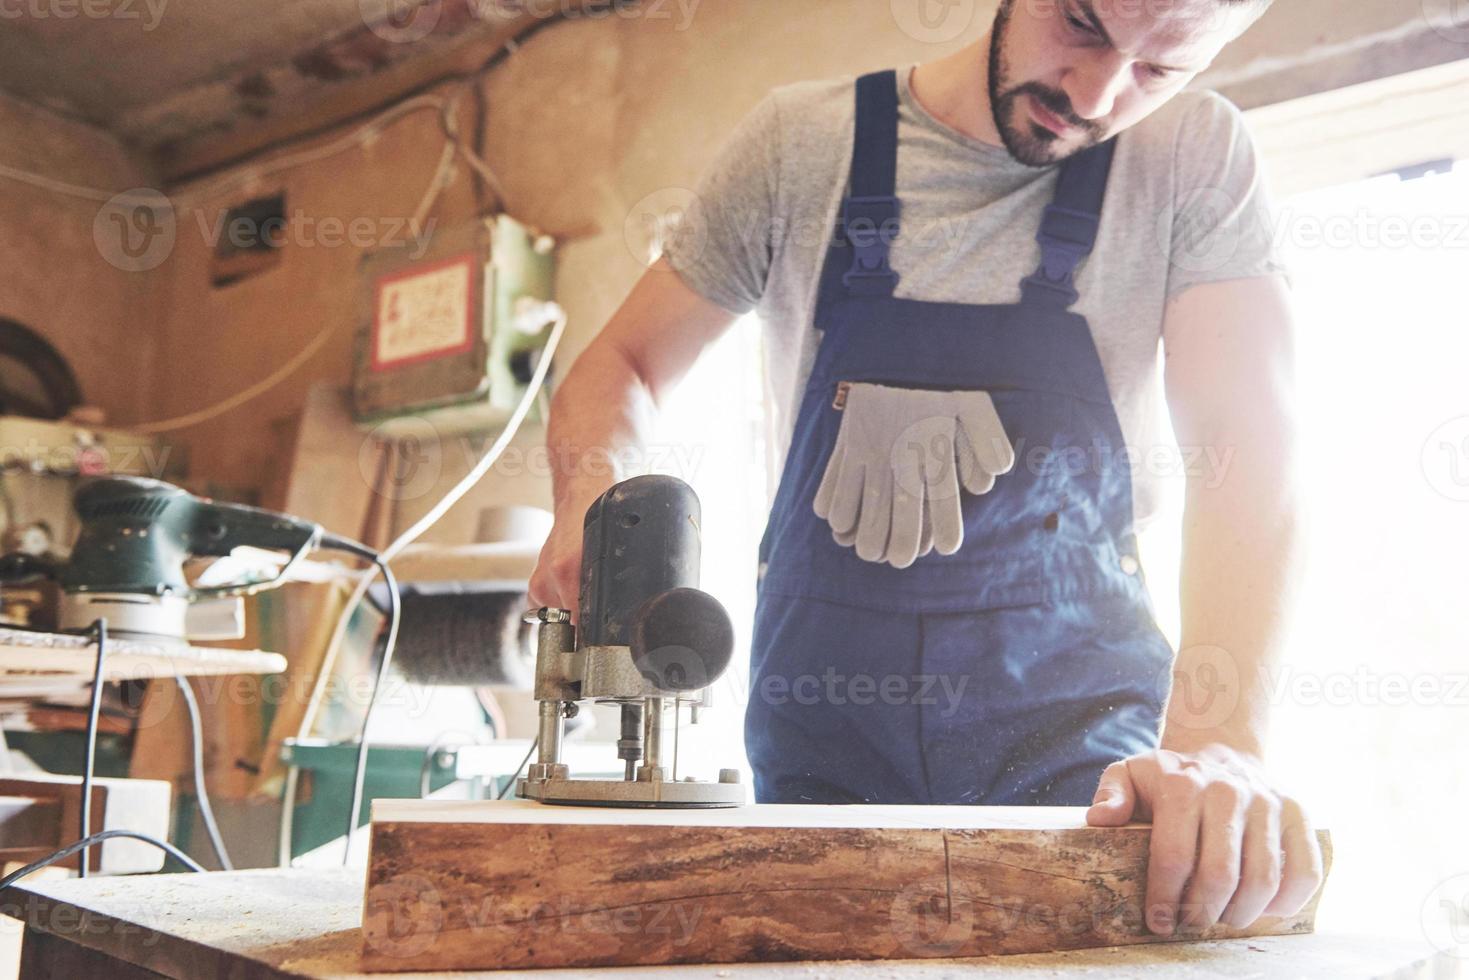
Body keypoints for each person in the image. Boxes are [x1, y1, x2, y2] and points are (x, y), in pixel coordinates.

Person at [530, 0, 1323, 936]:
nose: (1099, 93)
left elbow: (1246, 453)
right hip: (826, 715)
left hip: (1079, 730)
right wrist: (594, 500)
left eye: (1161, 69)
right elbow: (619, 368)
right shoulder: (800, 144)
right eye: (1080, 25)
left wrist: (1218, 746)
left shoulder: (1192, 155)